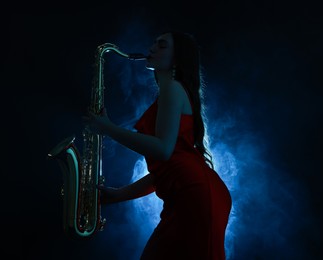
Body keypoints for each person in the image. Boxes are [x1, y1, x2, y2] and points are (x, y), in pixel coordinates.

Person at [83, 31, 232, 260]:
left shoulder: (172, 88)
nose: (152, 48)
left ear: (177, 58)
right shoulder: (171, 91)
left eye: (161, 46)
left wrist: (108, 128)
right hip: (195, 194)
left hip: (196, 196)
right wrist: (117, 195)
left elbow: (162, 150)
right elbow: (166, 170)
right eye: (153, 43)